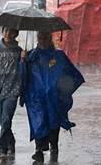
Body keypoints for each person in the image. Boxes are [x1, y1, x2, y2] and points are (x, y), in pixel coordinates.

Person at [23, 31, 85, 163]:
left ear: (49, 38)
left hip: (54, 98)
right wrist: (22, 61)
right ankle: (39, 149)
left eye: (45, 37)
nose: (42, 40)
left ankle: (53, 146)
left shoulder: (59, 56)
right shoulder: (31, 56)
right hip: (37, 98)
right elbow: (23, 76)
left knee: (53, 121)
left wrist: (63, 91)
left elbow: (71, 73)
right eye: (40, 37)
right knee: (39, 122)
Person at [0, 26, 26, 159]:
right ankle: (11, 141)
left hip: (13, 90)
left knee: (7, 119)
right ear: (2, 32)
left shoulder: (19, 51)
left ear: (16, 33)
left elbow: (24, 72)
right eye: (6, 30)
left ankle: (2, 147)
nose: (8, 33)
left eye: (11, 31)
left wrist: (24, 59)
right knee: (3, 121)